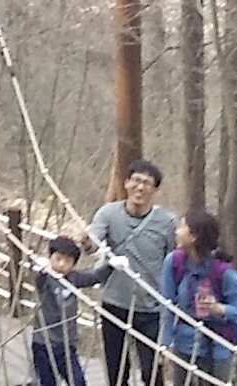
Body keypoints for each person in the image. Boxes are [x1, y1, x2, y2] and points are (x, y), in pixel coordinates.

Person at [90, 158, 179, 386]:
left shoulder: (167, 222)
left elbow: (174, 261)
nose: (140, 187)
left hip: (150, 307)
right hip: (114, 303)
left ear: (155, 189)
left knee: (152, 372)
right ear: (126, 183)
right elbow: (92, 242)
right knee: (116, 371)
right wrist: (84, 243)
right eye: (136, 181)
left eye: (147, 183)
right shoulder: (108, 214)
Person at [160, 212, 237, 386]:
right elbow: (167, 304)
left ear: (194, 237)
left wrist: (218, 308)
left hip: (221, 344)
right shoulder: (174, 262)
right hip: (185, 341)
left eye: (182, 227)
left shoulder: (224, 272)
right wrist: (165, 343)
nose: (177, 232)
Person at [29, 230, 115, 386]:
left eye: (67, 261)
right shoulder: (46, 278)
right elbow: (38, 279)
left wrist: (111, 266)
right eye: (58, 259)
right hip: (43, 343)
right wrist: (40, 268)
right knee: (48, 382)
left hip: (67, 345)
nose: (62, 264)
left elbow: (94, 277)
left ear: (74, 264)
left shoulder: (74, 278)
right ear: (50, 258)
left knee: (78, 381)